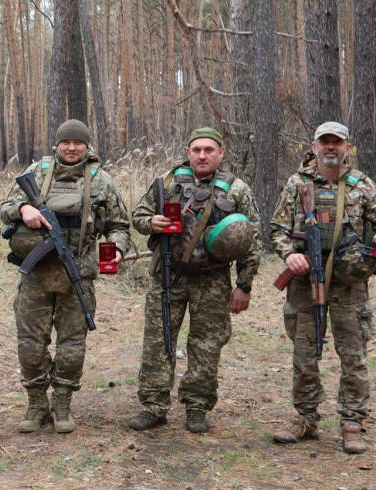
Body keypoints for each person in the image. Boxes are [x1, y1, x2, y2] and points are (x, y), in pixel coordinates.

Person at [0, 119, 130, 434]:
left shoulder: (101, 182)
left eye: (78, 143)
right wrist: (22, 209)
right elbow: (4, 209)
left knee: (73, 346)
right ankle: (36, 403)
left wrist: (118, 250)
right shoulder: (37, 174)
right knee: (30, 344)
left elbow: (119, 225)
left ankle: (61, 402)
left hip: (78, 275)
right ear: (56, 145)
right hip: (37, 277)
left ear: (87, 146)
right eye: (66, 142)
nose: (71, 148)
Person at [129, 127, 261, 434]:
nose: (202, 155)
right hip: (168, 275)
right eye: (197, 150)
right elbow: (138, 214)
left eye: (209, 150)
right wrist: (152, 222)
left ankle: (197, 406)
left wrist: (244, 284)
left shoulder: (237, 189)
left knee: (206, 345)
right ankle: (153, 405)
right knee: (157, 342)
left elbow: (251, 240)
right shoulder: (168, 182)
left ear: (220, 153)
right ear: (188, 152)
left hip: (213, 280)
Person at [270, 121, 373, 454]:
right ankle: (306, 417)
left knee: (353, 355)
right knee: (304, 354)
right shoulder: (297, 184)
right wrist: (289, 255)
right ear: (313, 147)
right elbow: (277, 230)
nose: (331, 147)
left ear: (347, 148)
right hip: (304, 283)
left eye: (337, 143)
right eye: (324, 142)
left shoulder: (363, 186)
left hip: (348, 284)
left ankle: (353, 423)